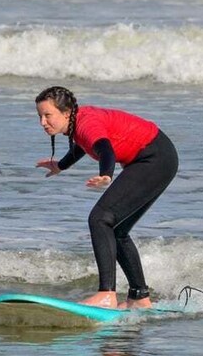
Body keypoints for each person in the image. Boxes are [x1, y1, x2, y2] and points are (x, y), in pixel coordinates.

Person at [35, 86, 178, 309]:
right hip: (159, 156)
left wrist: (106, 175)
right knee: (117, 230)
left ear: (66, 112)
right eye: (40, 116)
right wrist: (60, 165)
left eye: (47, 115)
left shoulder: (86, 123)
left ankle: (106, 295)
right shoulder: (77, 124)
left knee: (100, 219)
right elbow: (84, 145)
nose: (42, 122)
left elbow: (104, 148)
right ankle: (139, 297)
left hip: (154, 158)